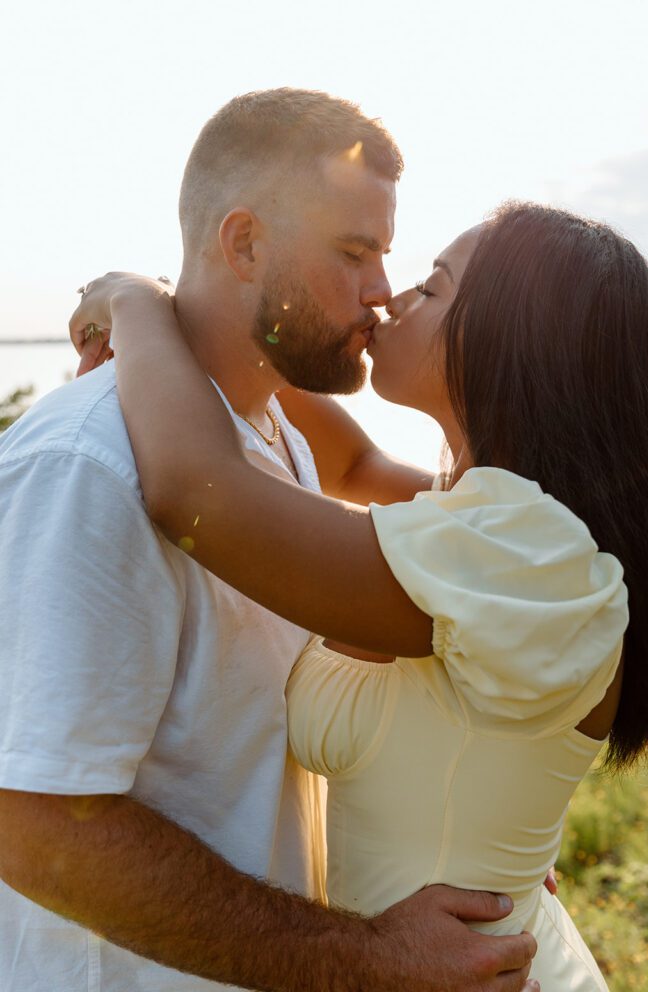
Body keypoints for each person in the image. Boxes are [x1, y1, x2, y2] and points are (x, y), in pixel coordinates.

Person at [0, 90, 539, 992]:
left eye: (388, 258)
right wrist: (362, 957)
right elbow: (32, 824)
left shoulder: (273, 448)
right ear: (244, 242)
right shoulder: (88, 465)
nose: (380, 291)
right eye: (352, 253)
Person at [68, 201, 648, 991]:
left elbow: (196, 491)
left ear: (509, 342)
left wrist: (132, 302)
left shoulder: (527, 553)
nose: (391, 299)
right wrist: (206, 315)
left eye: (431, 289)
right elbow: (351, 469)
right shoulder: (485, 525)